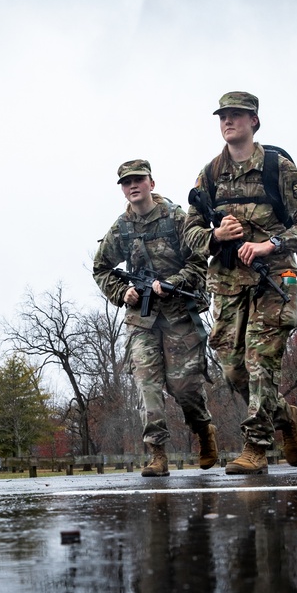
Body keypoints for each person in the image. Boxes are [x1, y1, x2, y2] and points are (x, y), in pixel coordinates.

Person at [184, 92, 297, 475]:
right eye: (223, 116)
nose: (229, 122)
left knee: (260, 362)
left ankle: (256, 447)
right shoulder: (210, 174)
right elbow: (190, 232)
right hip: (228, 282)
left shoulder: (278, 167)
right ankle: (286, 418)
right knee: (233, 370)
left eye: (237, 116)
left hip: (274, 278)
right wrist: (216, 237)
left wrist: (269, 244)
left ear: (254, 121)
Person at [92, 159, 217, 477]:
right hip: (142, 319)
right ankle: (157, 454)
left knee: (183, 388)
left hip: (178, 314)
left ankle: (204, 432)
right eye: (126, 182)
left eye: (138, 179)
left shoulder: (176, 217)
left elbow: (199, 259)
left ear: (151, 182)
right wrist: (123, 293)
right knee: (147, 385)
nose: (132, 186)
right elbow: (101, 268)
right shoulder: (121, 228)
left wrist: (174, 282)